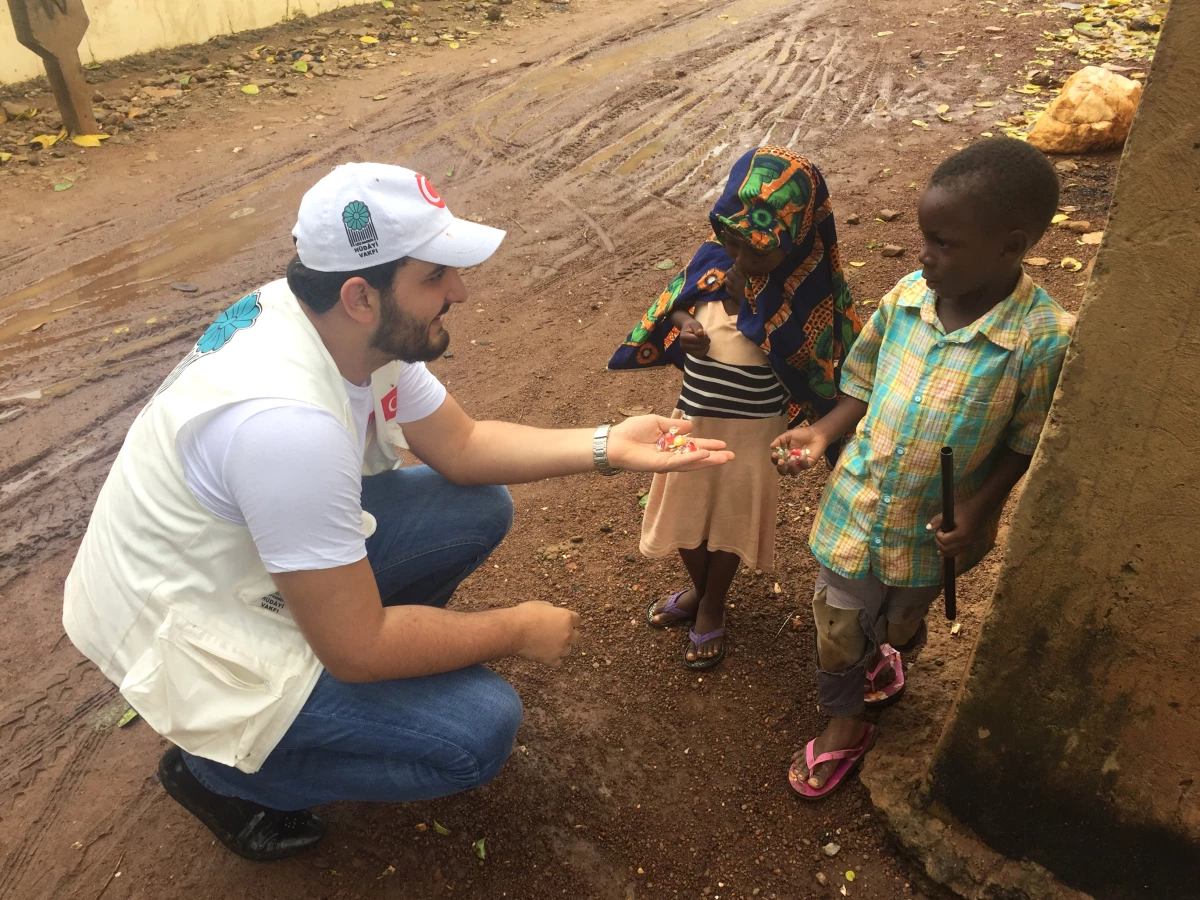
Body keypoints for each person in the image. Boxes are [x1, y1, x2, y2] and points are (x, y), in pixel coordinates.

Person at [61, 163, 733, 860]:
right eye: (436, 276)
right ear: (361, 295)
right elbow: (359, 649)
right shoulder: (287, 426)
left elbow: (463, 446)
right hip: (183, 621)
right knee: (479, 731)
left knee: (476, 506)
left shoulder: (340, 326)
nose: (460, 291)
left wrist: (607, 445)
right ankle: (220, 769)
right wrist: (516, 628)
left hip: (233, 564)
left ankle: (335, 683)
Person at [772, 138, 1075, 798]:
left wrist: (982, 506)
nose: (924, 256)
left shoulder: (1042, 338)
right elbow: (863, 374)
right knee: (837, 617)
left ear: (1010, 244)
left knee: (903, 619)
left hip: (929, 530)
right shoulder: (907, 297)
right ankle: (844, 725)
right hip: (859, 505)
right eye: (923, 238)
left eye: (943, 243)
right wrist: (825, 431)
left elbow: (1027, 439)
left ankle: (890, 655)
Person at [609, 147, 862, 669]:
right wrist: (685, 325)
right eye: (731, 243)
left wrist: (759, 314)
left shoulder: (810, 290)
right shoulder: (716, 255)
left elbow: (821, 364)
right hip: (693, 417)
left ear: (794, 239)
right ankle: (700, 592)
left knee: (727, 521)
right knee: (681, 509)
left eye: (758, 254)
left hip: (753, 432)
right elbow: (674, 301)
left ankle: (713, 604)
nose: (739, 261)